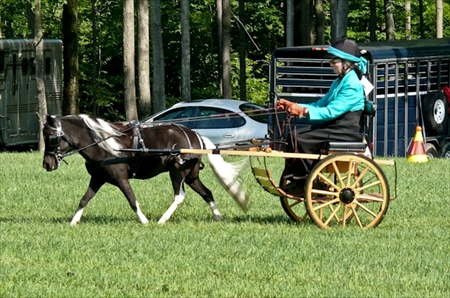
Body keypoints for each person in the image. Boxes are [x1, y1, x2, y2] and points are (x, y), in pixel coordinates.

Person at [276, 38, 368, 197]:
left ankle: (305, 181)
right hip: (335, 127)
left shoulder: (352, 84)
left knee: (298, 137)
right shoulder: (339, 81)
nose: (331, 64)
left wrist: (302, 111)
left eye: (335, 61)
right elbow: (320, 105)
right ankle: (299, 180)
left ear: (347, 63)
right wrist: (294, 106)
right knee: (294, 136)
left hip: (345, 131)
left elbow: (331, 111)